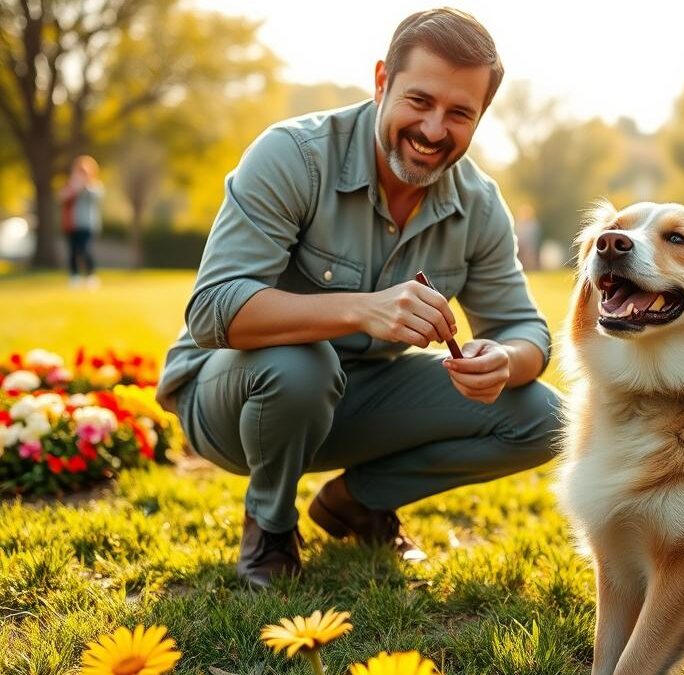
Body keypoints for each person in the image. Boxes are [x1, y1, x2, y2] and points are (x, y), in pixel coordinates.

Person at [156, 8, 560, 588]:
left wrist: (507, 360)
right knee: (304, 362)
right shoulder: (293, 155)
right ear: (381, 81)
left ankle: (354, 501)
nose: (433, 130)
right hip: (231, 399)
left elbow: (526, 328)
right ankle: (269, 526)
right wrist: (359, 307)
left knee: (544, 417)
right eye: (419, 101)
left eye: (459, 113)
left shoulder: (480, 204)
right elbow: (213, 309)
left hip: (354, 399)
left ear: (480, 118)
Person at [59, 155, 103, 288]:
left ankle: (90, 275)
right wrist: (73, 187)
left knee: (85, 250)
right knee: (73, 251)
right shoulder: (70, 185)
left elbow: (97, 197)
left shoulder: (94, 186)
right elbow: (61, 197)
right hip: (72, 224)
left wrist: (83, 185)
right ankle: (74, 276)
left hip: (87, 225)